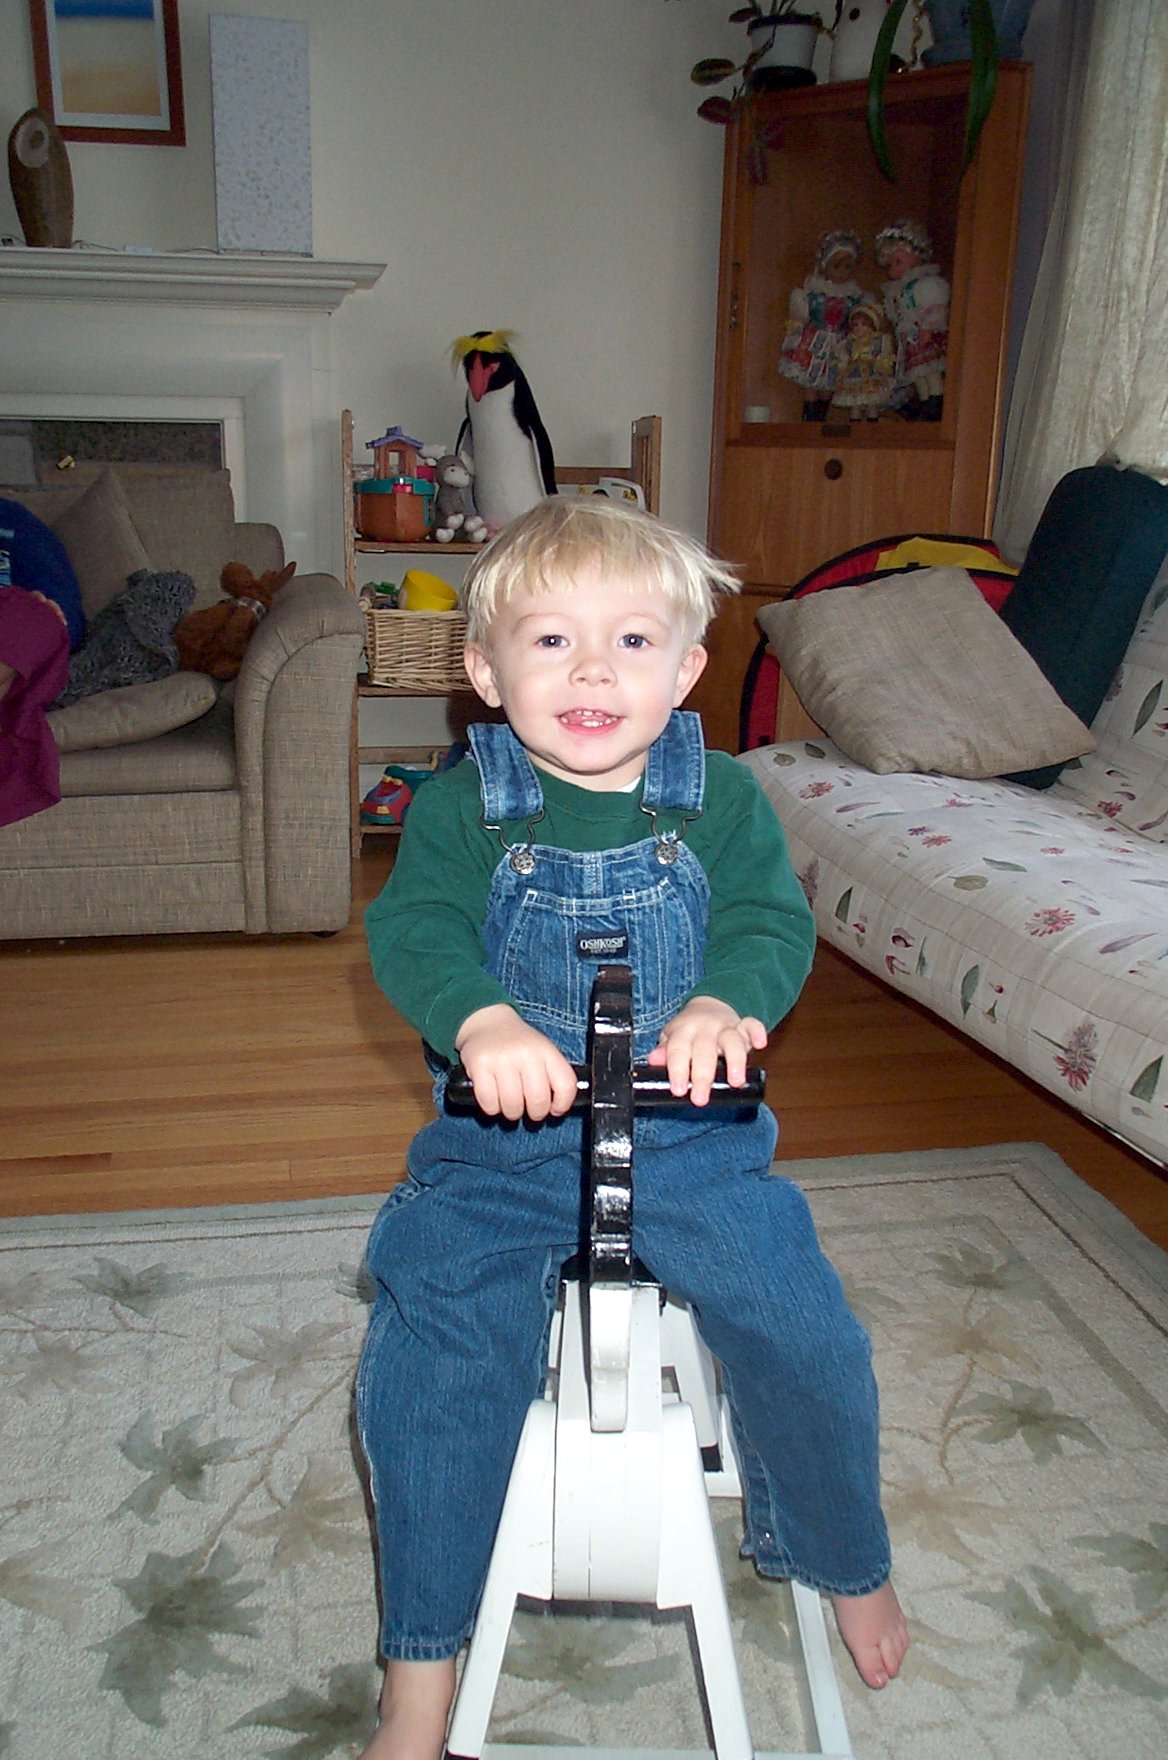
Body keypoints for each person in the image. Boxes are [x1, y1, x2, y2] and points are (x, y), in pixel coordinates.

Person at [357, 497, 908, 1760]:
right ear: (485, 671)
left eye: (631, 641)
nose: (594, 671)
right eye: (551, 641)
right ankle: (418, 1667)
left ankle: (844, 1552)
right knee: (431, 1344)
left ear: (686, 667)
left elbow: (768, 921)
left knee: (802, 1320)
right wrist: (480, 1019)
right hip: (501, 1145)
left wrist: (725, 1000)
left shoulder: (720, 798)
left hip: (688, 1133)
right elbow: (415, 929)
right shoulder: (459, 807)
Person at [778, 227, 869, 421]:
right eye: (836, 267)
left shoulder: (853, 296)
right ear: (825, 265)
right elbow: (801, 316)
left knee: (830, 380)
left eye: (847, 268)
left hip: (839, 343)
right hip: (815, 340)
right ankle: (810, 416)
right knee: (811, 379)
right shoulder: (812, 292)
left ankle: (821, 416)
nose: (842, 273)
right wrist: (796, 332)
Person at [874, 218, 950, 421]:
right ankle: (926, 403)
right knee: (917, 374)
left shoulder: (926, 284)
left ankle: (936, 400)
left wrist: (929, 327)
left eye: (898, 262)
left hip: (923, 335)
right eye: (890, 265)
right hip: (910, 337)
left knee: (930, 372)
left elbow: (935, 308)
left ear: (917, 255)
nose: (893, 269)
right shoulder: (899, 290)